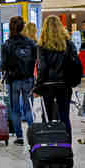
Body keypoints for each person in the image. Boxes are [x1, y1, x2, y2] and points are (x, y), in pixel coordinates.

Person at [33, 15, 77, 143]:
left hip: (48, 85)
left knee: (46, 116)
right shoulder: (68, 44)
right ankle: (66, 146)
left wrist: (38, 86)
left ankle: (48, 144)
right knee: (64, 116)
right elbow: (74, 63)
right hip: (64, 84)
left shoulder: (42, 45)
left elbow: (43, 68)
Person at [0, 16, 37, 146]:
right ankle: (33, 136)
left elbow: (3, 65)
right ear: (23, 27)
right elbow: (35, 60)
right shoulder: (31, 43)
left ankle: (19, 137)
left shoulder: (6, 45)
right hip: (28, 79)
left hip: (13, 80)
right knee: (28, 108)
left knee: (15, 109)